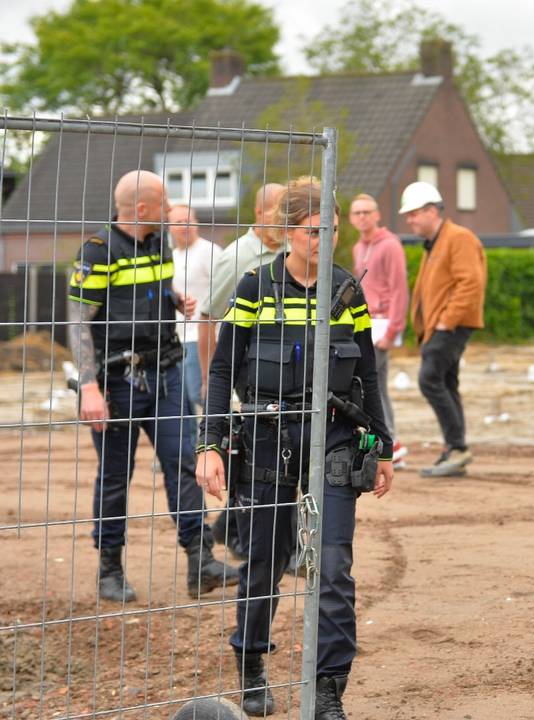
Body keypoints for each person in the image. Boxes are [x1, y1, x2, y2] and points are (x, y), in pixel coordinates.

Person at [196, 178, 394, 719]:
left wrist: (381, 447)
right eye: (312, 230)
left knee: (333, 566)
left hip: (332, 439)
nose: (323, 238)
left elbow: (369, 380)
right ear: (286, 232)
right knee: (262, 562)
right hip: (264, 439)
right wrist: (209, 443)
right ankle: (252, 666)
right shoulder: (255, 288)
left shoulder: (346, 291)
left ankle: (329, 688)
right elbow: (220, 372)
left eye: (330, 228)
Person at [67, 170, 236, 603]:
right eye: (163, 203)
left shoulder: (158, 242)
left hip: (168, 373)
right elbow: (76, 323)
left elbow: (155, 286)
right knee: (115, 477)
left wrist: (174, 297)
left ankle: (201, 562)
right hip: (118, 382)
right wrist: (89, 387)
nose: (170, 210)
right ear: (140, 209)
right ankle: (110, 568)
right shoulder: (98, 251)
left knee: (185, 463)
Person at [201, 183, 284, 557]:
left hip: (282, 376)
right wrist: (212, 378)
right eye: (280, 213)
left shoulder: (291, 253)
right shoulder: (237, 257)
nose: (286, 222)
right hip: (244, 378)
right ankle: (241, 538)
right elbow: (209, 315)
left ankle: (229, 529)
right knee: (248, 456)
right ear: (260, 214)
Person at [400, 181, 486, 477]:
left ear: (431, 211)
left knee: (429, 379)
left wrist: (446, 321)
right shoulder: (435, 243)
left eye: (413, 214)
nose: (409, 220)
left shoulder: (458, 238)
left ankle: (457, 447)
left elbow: (470, 283)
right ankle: (455, 448)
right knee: (446, 383)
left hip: (451, 325)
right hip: (440, 327)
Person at [349, 193, 410, 467]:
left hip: (383, 323)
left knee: (367, 385)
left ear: (377, 215)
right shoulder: (358, 248)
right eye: (357, 213)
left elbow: (400, 289)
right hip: (365, 323)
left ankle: (387, 443)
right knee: (378, 387)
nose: (362, 217)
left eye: (366, 212)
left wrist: (393, 329)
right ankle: (392, 442)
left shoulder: (390, 245)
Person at [168, 204, 222, 413]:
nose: (184, 226)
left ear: (196, 223)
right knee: (181, 402)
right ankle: (190, 444)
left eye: (188, 221)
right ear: (169, 227)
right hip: (177, 337)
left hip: (201, 336)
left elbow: (224, 290)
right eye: (178, 222)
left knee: (198, 393)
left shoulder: (209, 252)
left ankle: (220, 432)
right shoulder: (172, 257)